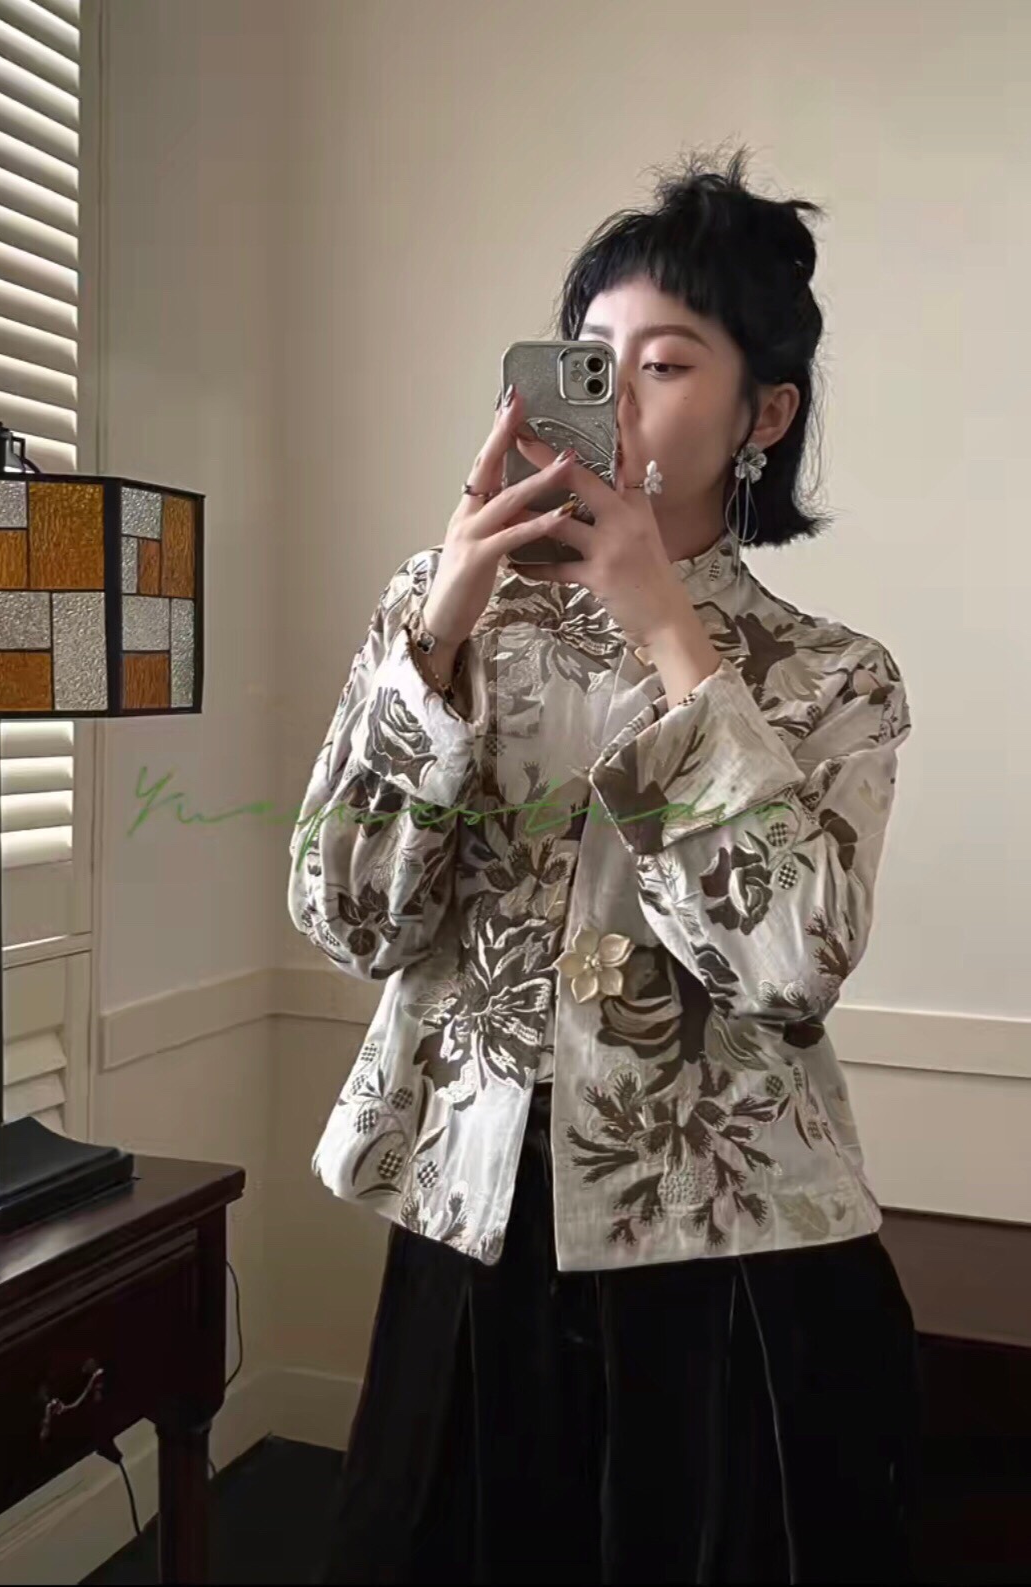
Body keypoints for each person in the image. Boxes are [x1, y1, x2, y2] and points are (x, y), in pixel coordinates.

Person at [288, 145, 922, 1585]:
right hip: (466, 1220)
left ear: (766, 413)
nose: (618, 392)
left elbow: (792, 968)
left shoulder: (835, 679)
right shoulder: (440, 617)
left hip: (724, 1247)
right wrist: (441, 628)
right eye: (591, 358)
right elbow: (346, 915)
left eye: (668, 362)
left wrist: (666, 632)